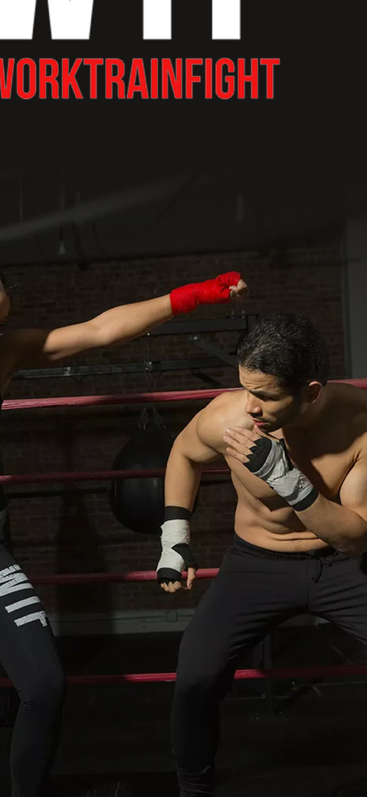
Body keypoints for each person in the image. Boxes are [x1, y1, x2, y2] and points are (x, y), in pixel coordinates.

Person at [0, 252, 246, 797]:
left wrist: (189, 298)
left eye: (1, 323)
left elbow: (99, 330)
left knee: (45, 684)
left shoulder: (1, 355)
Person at [157, 312, 367, 797]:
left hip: (344, 565)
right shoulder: (229, 417)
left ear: (311, 392)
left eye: (267, 396)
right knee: (194, 676)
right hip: (256, 564)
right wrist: (174, 538)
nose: (250, 407)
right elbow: (183, 454)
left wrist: (288, 481)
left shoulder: (358, 426)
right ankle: (194, 790)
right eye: (245, 388)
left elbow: (354, 538)